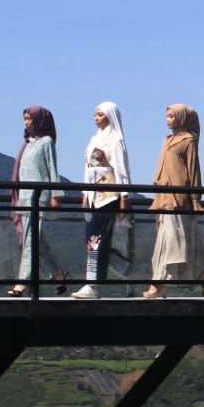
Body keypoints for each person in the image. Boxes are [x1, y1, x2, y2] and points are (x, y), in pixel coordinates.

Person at [147, 104, 204, 299]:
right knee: (172, 242)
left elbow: (193, 170)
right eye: (167, 116)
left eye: (172, 116)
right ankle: (202, 278)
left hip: (179, 198)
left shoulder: (188, 141)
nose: (168, 120)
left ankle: (159, 283)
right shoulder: (167, 141)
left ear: (181, 118)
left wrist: (195, 198)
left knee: (173, 241)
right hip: (165, 198)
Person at [75, 101, 130, 299]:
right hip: (92, 195)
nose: (96, 118)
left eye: (100, 114)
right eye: (95, 114)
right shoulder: (94, 139)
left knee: (98, 239)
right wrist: (84, 192)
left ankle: (93, 283)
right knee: (92, 239)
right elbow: (88, 168)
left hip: (107, 196)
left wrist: (124, 197)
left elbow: (121, 170)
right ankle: (120, 271)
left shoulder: (115, 140)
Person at [9, 106, 65, 296]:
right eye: (25, 119)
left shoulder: (46, 142)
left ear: (39, 120)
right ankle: (58, 274)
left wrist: (56, 195)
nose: (26, 122)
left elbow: (52, 170)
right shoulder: (27, 144)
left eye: (29, 119)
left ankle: (22, 282)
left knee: (30, 241)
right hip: (24, 199)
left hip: (38, 198)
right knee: (37, 241)